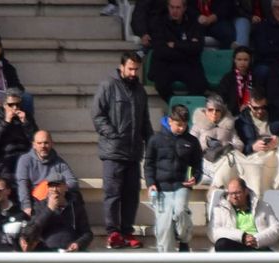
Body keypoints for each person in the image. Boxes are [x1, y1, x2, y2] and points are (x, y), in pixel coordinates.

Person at [91, 51, 151, 248]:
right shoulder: (108, 85)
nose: (134, 73)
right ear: (122, 67)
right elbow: (97, 114)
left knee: (131, 194)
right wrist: (112, 134)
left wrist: (150, 143)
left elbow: (145, 122)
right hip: (113, 151)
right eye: (130, 68)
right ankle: (113, 232)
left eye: (137, 69)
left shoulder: (140, 91)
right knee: (113, 192)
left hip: (134, 152)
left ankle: (127, 231)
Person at [145, 102, 202, 252]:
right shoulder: (155, 140)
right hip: (161, 188)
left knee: (180, 211)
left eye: (184, 125)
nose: (181, 128)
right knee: (164, 226)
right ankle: (167, 260)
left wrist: (195, 178)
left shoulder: (192, 141)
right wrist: (150, 183)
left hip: (181, 185)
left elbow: (197, 165)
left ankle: (184, 239)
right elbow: (149, 164)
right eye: (178, 124)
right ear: (170, 121)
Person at [149, 0, 207, 98]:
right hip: (166, 64)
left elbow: (197, 48)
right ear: (168, 7)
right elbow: (160, 50)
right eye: (172, 7)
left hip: (188, 65)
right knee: (161, 84)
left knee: (200, 85)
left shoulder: (193, 23)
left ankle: (186, 107)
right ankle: (176, 107)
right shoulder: (158, 23)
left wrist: (175, 45)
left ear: (184, 8)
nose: (174, 11)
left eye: (178, 8)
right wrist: (187, 47)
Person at [14, 129, 77, 208]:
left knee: (76, 197)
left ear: (52, 144)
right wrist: (26, 206)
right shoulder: (25, 160)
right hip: (35, 203)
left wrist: (56, 189)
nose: (43, 146)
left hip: (56, 201)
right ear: (34, 145)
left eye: (46, 143)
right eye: (39, 143)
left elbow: (72, 182)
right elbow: (22, 185)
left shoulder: (59, 162)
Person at [30, 177, 91, 251]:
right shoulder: (40, 206)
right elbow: (32, 231)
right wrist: (49, 209)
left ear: (65, 187)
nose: (54, 189)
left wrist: (78, 244)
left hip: (70, 251)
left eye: (58, 185)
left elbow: (87, 233)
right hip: (47, 250)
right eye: (51, 186)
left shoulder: (76, 207)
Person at [194, 94, 239, 189]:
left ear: (222, 112)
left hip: (224, 160)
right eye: (211, 110)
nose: (214, 113)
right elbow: (190, 145)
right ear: (206, 111)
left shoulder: (229, 127)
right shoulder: (198, 125)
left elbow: (239, 143)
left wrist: (228, 146)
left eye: (217, 110)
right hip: (205, 161)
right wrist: (205, 146)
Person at [249, 0, 279, 83]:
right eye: (278, 8)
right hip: (268, 64)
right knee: (263, 71)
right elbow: (263, 50)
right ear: (272, 9)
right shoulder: (262, 27)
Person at [0, 89, 35, 174]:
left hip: (24, 153)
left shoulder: (26, 117)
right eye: (11, 105)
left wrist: (25, 123)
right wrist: (6, 122)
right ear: (4, 105)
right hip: (6, 155)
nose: (15, 108)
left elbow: (34, 138)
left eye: (17, 104)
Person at [217, 45, 257, 115]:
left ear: (250, 61)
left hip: (252, 113)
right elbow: (222, 98)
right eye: (239, 59)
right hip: (231, 114)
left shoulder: (255, 78)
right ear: (234, 60)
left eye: (245, 60)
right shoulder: (227, 78)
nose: (242, 63)